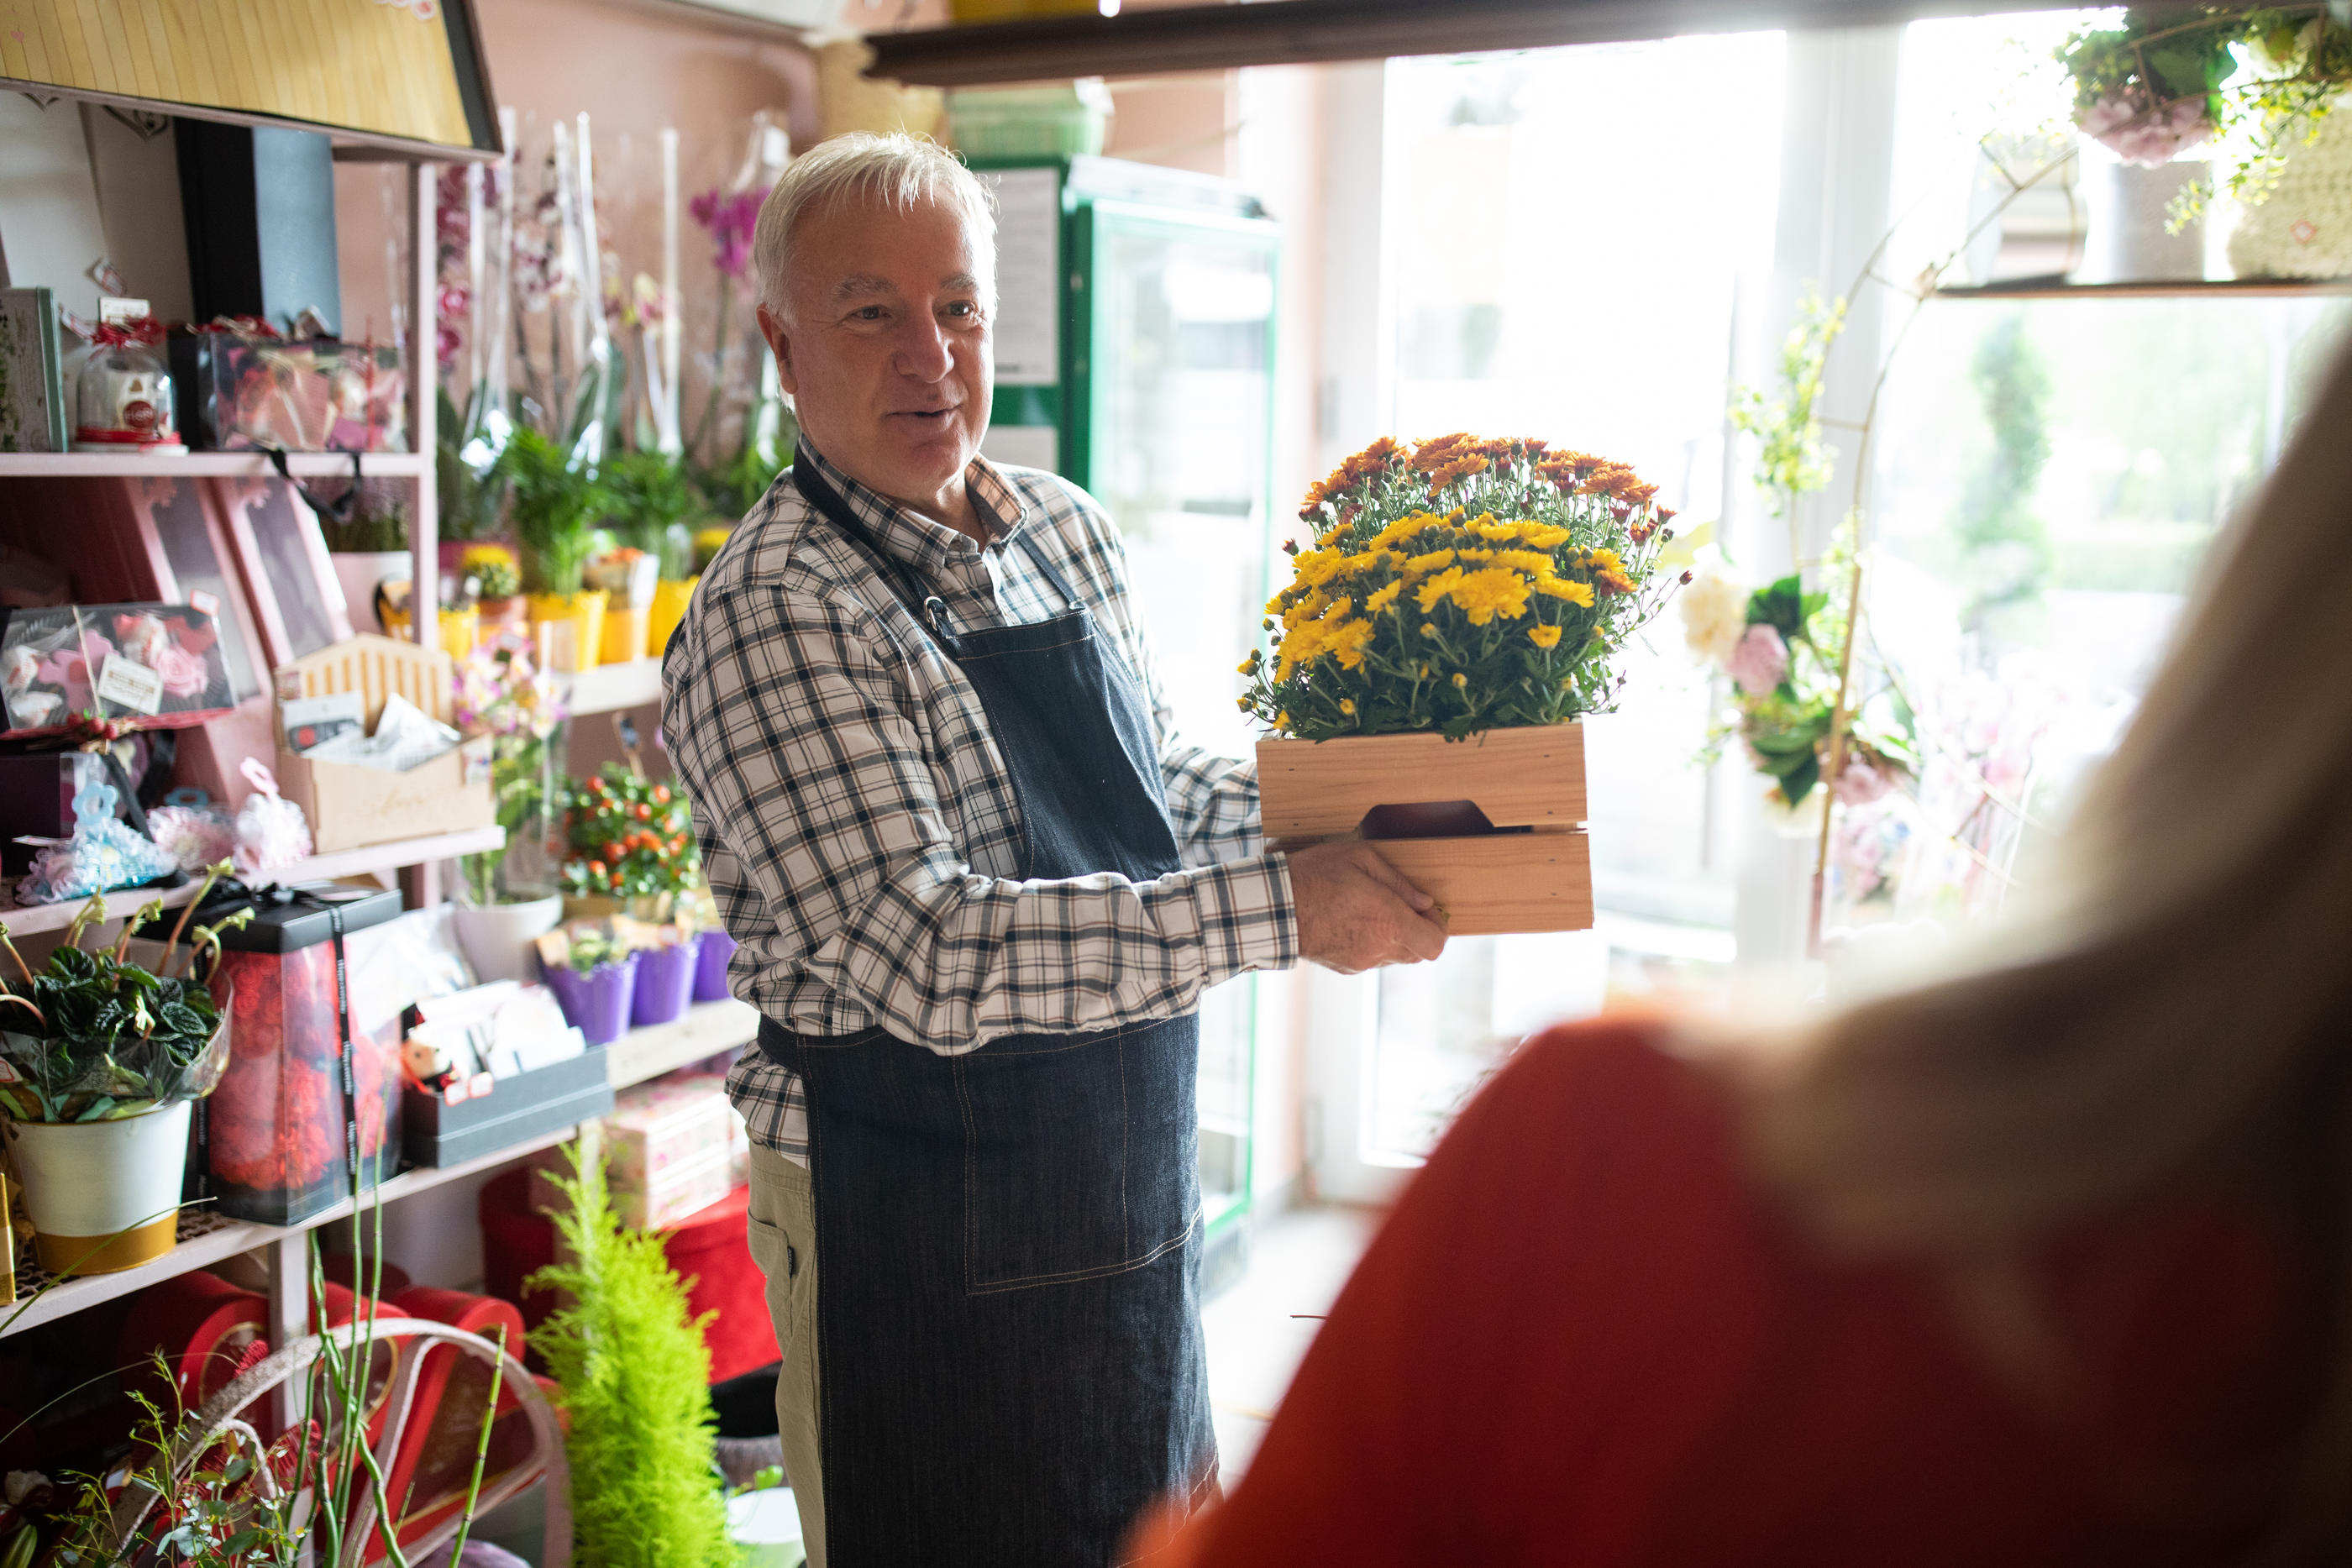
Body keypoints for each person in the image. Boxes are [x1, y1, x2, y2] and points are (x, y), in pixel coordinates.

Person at [1131, 339, 2352, 1566]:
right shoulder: (2241, 1352)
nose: (937, 354)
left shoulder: (1622, 1150)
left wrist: (1305, 876)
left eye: (967, 308)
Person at [661, 133, 1448, 1568]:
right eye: (870, 313)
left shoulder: (1066, 533)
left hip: (1117, 1208)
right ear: (783, 343)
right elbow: (929, 953)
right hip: (908, 1228)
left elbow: (1161, 798)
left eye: (957, 306)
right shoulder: (775, 610)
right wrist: (1286, 909)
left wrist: (1390, 811)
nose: (931, 355)